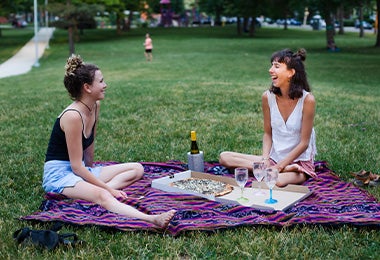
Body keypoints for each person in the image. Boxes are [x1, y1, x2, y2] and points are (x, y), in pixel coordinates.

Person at [43, 55, 176, 228]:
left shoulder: (95, 106)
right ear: (87, 87)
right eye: (101, 81)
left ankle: (95, 192)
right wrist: (109, 190)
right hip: (59, 175)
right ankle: (153, 220)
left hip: (80, 169)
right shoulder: (72, 116)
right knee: (104, 195)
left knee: (137, 169)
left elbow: (88, 151)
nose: (105, 85)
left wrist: (93, 173)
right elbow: (76, 167)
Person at [219, 48, 317, 187]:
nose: (270, 70)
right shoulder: (267, 97)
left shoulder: (307, 100)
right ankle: (278, 169)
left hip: (298, 162)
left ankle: (283, 170)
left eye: (276, 66)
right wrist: (265, 159)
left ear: (291, 73)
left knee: (274, 180)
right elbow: (267, 133)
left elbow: (304, 143)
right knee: (225, 157)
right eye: (272, 65)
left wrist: (279, 167)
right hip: (274, 159)